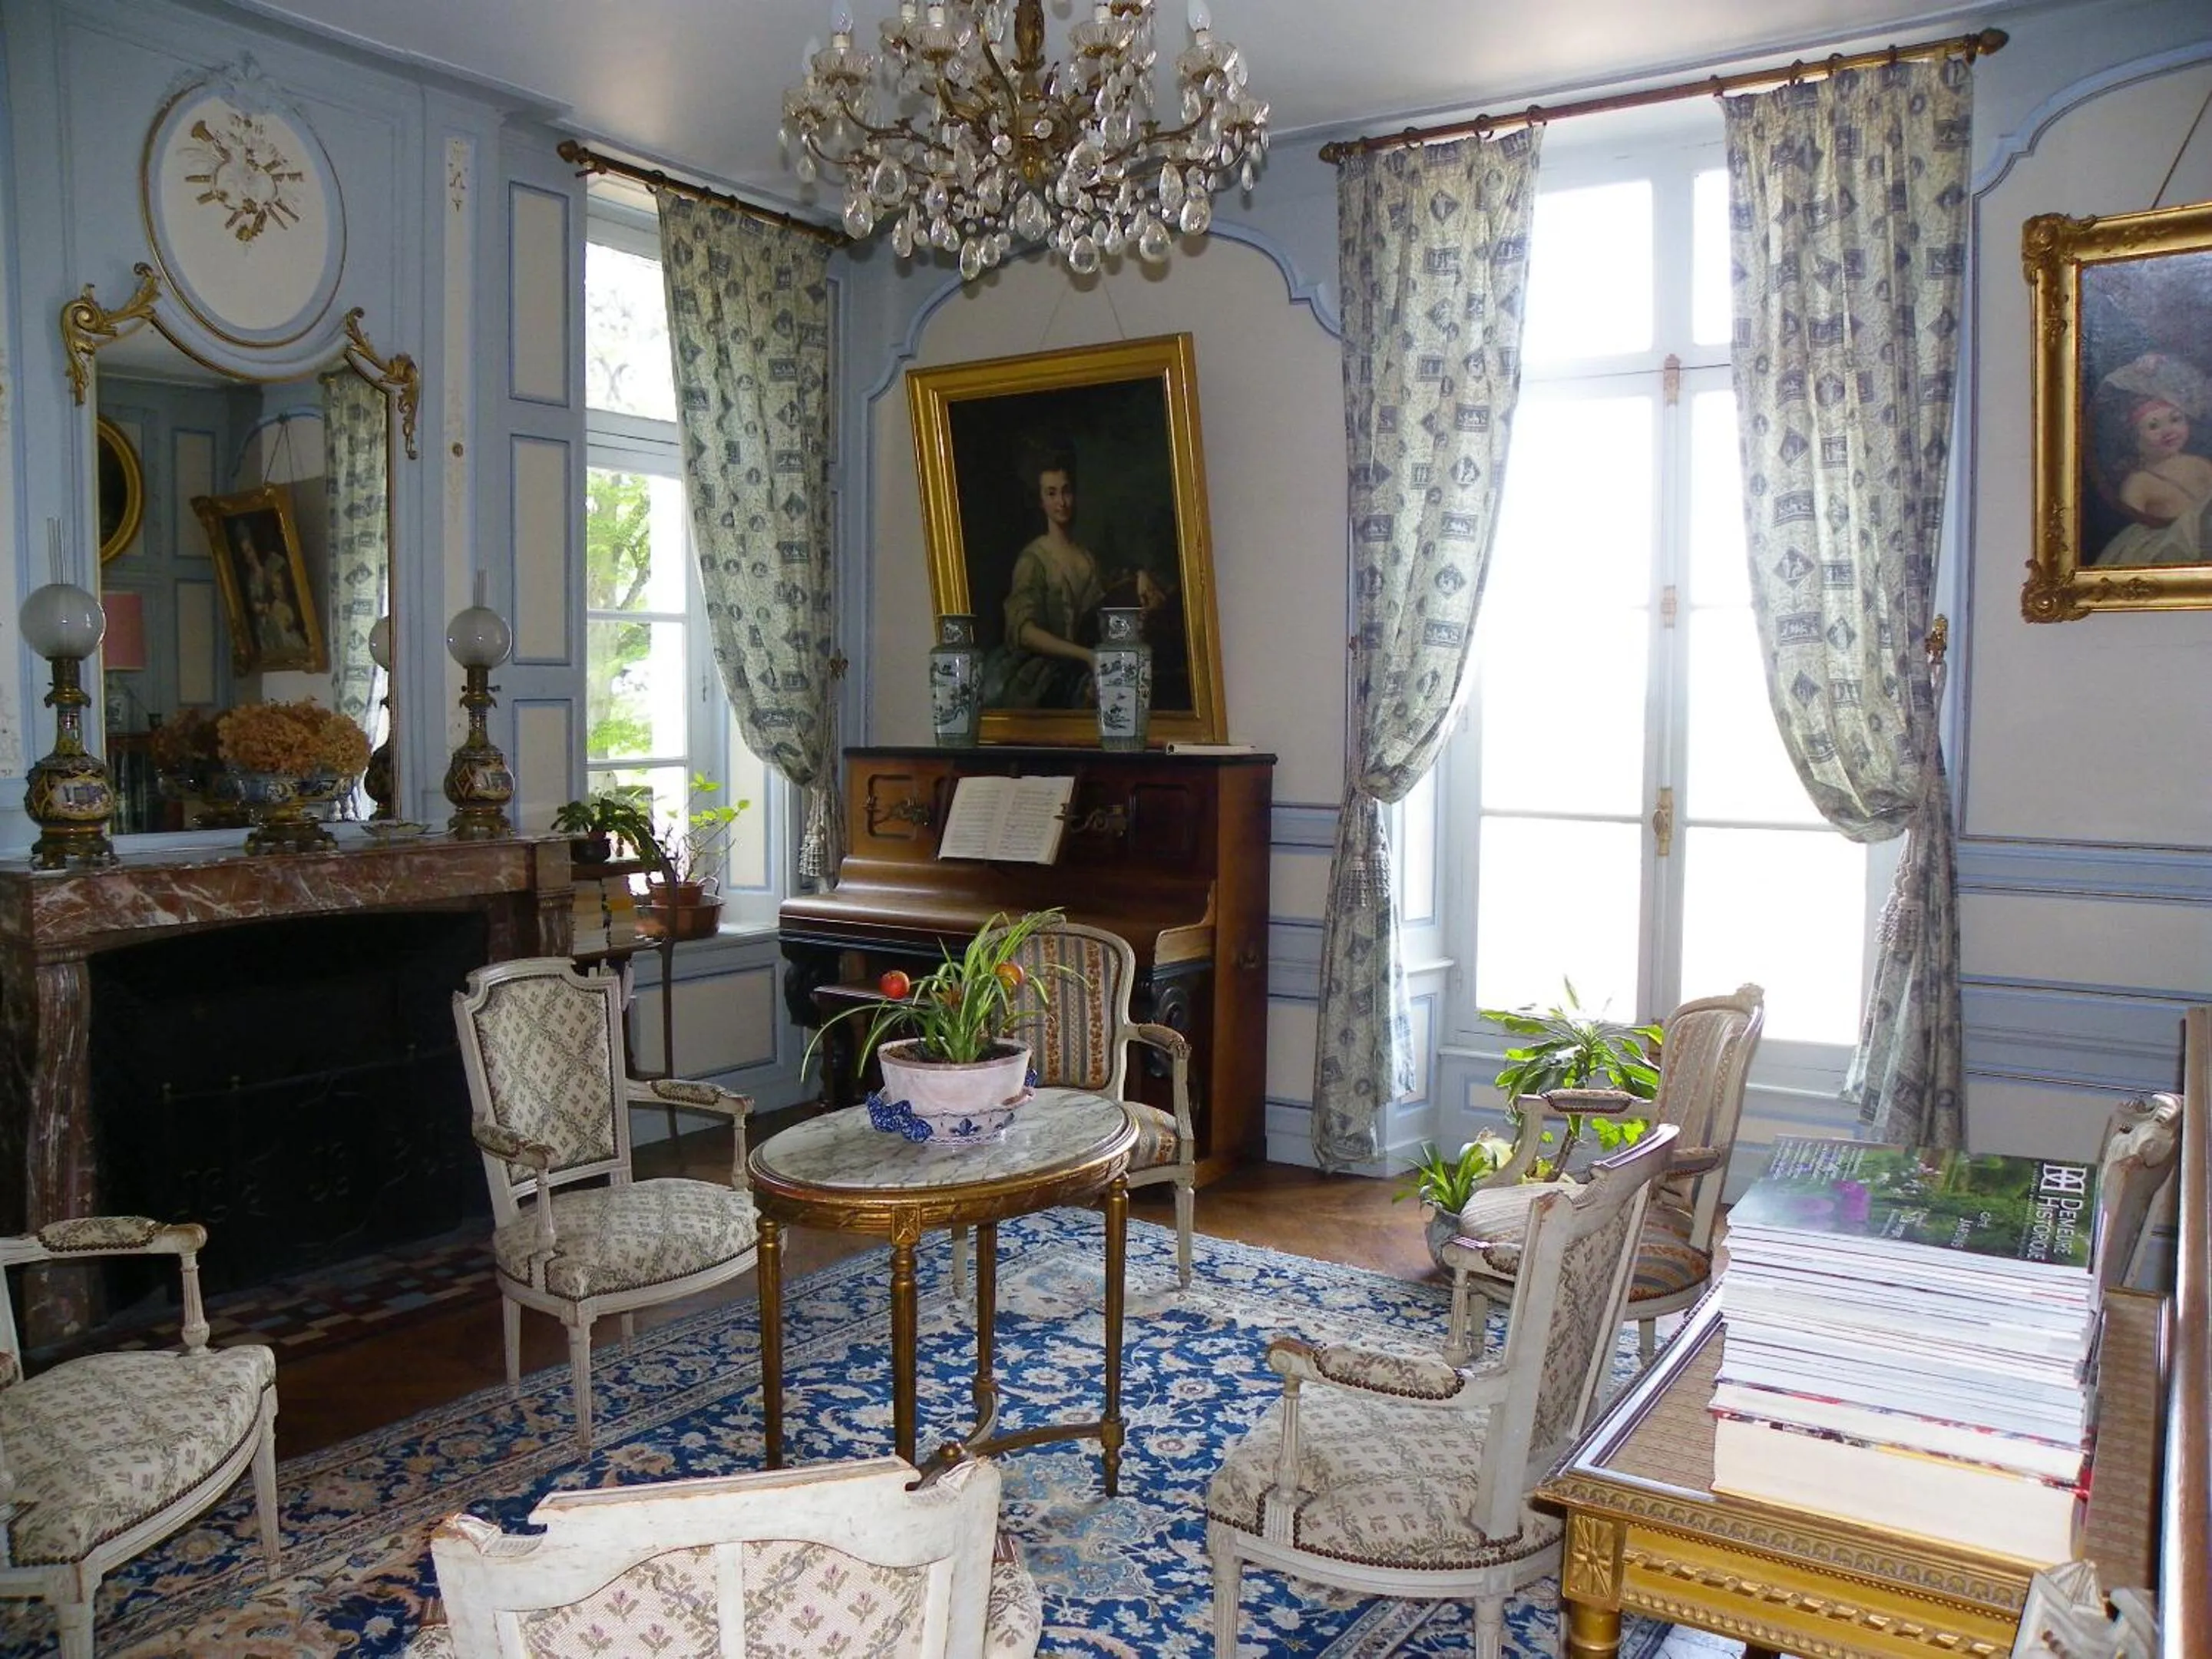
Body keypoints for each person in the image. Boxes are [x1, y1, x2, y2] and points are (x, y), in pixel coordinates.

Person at [983, 442, 1106, 709]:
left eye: (1066, 491)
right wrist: (1084, 655)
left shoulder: (1087, 559)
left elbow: (1096, 620)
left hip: (1080, 672)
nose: (1061, 502)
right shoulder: (1033, 559)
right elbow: (1024, 631)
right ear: (1040, 500)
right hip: (1041, 679)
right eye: (1051, 493)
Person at [2089, 351, 2212, 566]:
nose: (2168, 431)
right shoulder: (2139, 482)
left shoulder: (2199, 464)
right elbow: (2136, 522)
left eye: (2175, 419)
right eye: (2153, 426)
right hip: (2164, 553)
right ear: (2134, 438)